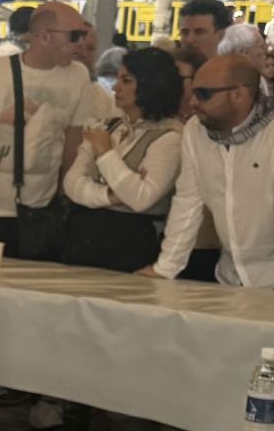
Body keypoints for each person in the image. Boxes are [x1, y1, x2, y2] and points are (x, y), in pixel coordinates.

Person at [146, 54, 274, 296]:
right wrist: (165, 268)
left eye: (203, 94)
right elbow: (188, 202)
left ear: (238, 94)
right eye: (193, 92)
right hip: (227, 275)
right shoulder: (195, 130)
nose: (192, 102)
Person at [0, 2, 93, 259]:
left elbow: (73, 138)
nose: (82, 44)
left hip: (42, 212)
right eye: (75, 36)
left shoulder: (78, 76)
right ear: (45, 36)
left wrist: (64, 191)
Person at [62, 47, 184, 272]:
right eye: (118, 79)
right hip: (84, 231)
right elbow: (71, 183)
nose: (117, 87)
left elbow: (141, 199)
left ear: (151, 84)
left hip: (131, 239)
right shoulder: (110, 126)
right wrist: (110, 196)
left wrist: (105, 153)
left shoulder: (170, 138)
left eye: (127, 81)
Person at [177, 0, 231, 64]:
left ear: (222, 36)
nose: (189, 40)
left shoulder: (240, 72)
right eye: (185, 32)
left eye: (199, 32)